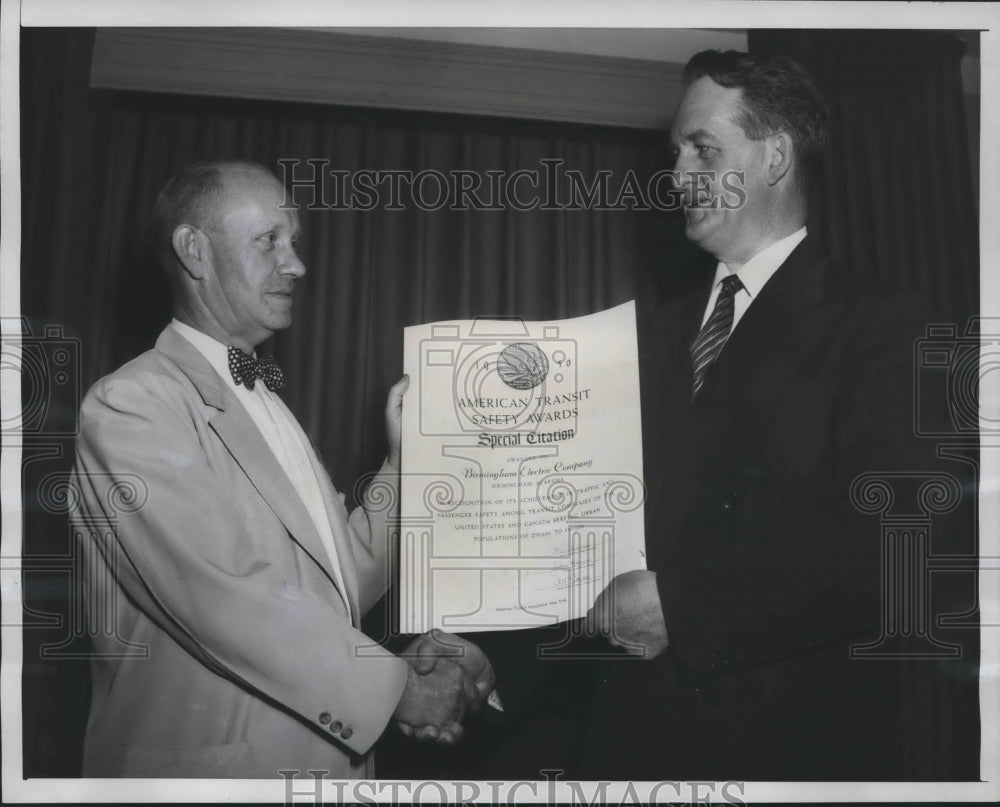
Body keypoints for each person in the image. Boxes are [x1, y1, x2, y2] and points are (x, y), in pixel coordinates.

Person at [582, 50, 978, 780]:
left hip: (791, 755)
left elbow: (902, 546)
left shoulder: (889, 326)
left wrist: (685, 607)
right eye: (676, 153)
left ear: (774, 159)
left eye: (703, 149)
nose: (676, 176)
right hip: (621, 751)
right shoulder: (638, 341)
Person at [69, 160, 494, 778]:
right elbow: (226, 597)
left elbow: (341, 585)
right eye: (269, 241)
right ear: (195, 251)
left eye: (293, 243)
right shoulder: (133, 403)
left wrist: (406, 462)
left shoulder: (268, 403)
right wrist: (398, 687)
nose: (296, 264)